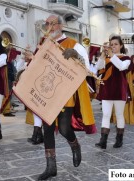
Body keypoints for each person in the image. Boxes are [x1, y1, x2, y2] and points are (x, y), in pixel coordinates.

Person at [24, 15, 96, 180]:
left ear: (61, 26)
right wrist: (28, 60)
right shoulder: (43, 44)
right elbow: (34, 67)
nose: (49, 27)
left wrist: (76, 57)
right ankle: (51, 167)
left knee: (64, 129)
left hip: (65, 93)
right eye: (47, 24)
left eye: (52, 24)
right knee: (47, 128)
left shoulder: (74, 44)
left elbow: (87, 68)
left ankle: (75, 145)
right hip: (45, 91)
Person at [95, 35, 131, 149]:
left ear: (121, 45)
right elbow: (98, 67)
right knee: (105, 115)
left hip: (119, 89)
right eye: (111, 44)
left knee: (119, 115)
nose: (113, 46)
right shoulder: (106, 58)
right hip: (107, 88)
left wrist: (111, 55)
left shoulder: (126, 59)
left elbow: (121, 67)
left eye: (116, 44)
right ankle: (103, 141)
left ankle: (119, 139)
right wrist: (102, 55)